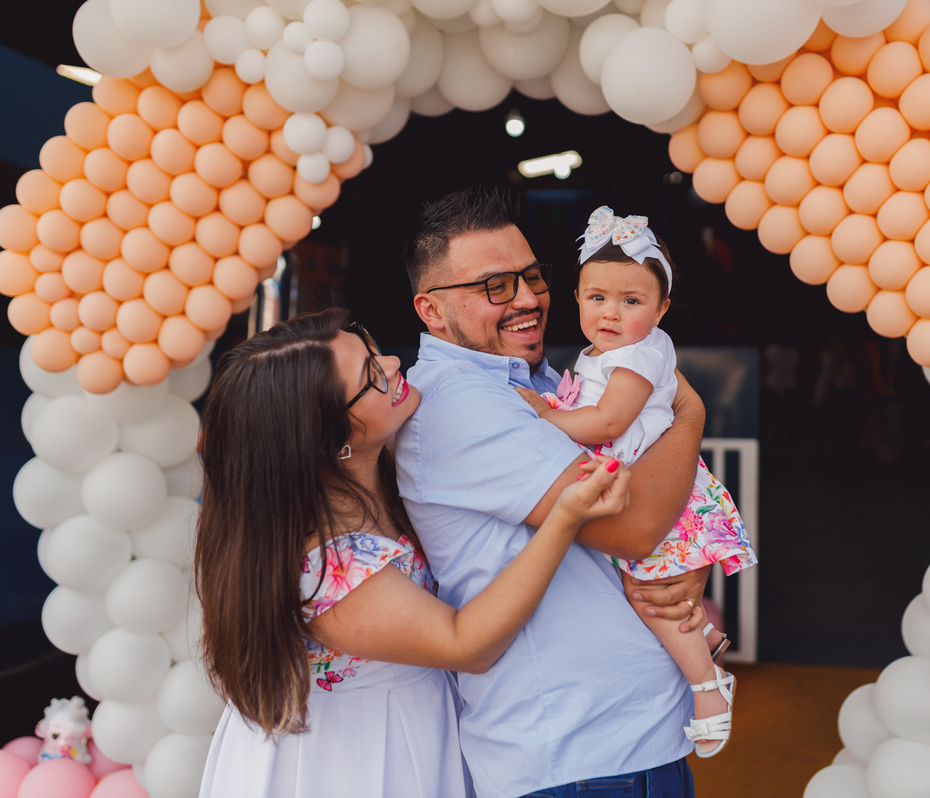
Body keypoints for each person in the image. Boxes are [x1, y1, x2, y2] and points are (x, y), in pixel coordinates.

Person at [194, 308, 632, 798]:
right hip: (355, 761)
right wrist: (565, 518)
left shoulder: (390, 470)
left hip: (414, 732)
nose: (393, 364)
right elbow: (465, 643)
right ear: (324, 439)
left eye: (372, 348)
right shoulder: (323, 566)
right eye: (371, 375)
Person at [396, 187, 712, 798]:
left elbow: (649, 510)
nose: (527, 299)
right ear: (431, 310)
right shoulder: (459, 402)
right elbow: (634, 526)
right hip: (578, 754)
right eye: (495, 286)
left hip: (624, 738)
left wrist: (682, 563)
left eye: (533, 276)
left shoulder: (534, 379)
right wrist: (690, 411)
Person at [514, 207, 758, 758]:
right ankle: (704, 637)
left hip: (661, 490)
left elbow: (607, 423)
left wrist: (544, 415)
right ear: (576, 298)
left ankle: (708, 687)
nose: (610, 312)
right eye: (597, 297)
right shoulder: (607, 353)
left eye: (631, 301)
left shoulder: (641, 354)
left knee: (647, 597)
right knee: (645, 591)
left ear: (662, 308)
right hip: (644, 481)